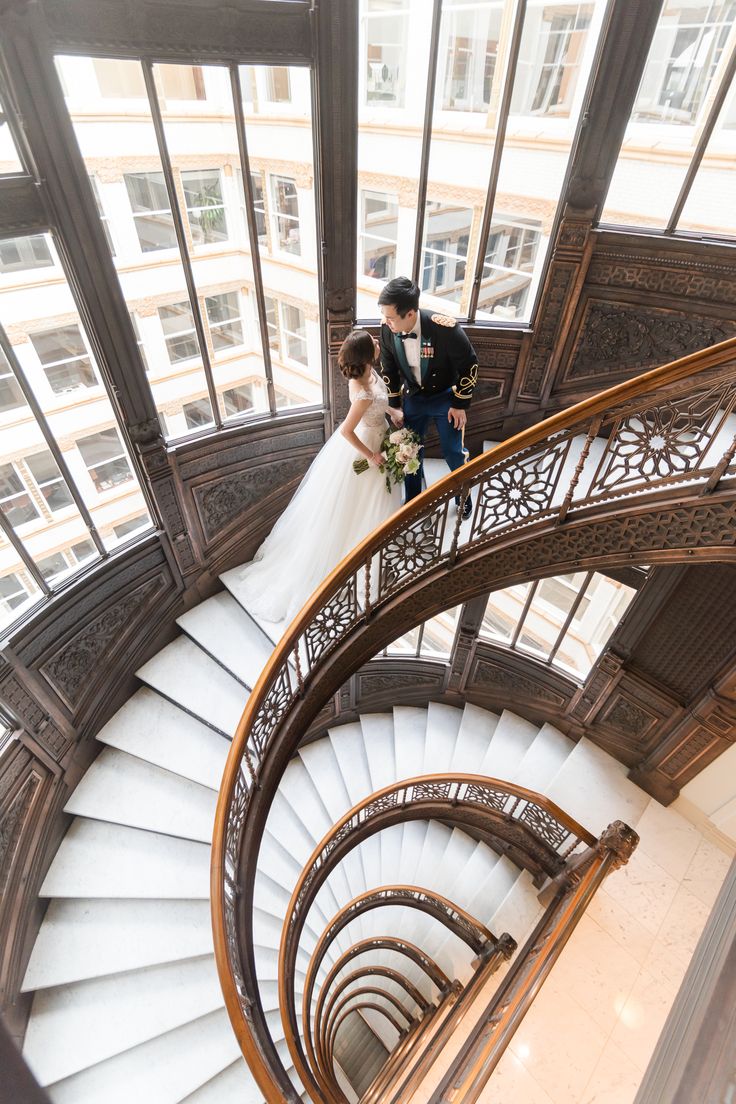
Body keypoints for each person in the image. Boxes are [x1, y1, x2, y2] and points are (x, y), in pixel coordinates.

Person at [229, 330, 402, 625]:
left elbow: (378, 402)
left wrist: (391, 411)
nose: (377, 342)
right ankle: (352, 562)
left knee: (373, 504)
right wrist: (371, 456)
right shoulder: (362, 391)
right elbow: (348, 431)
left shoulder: (371, 375)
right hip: (366, 447)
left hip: (380, 434)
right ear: (365, 355)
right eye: (372, 342)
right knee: (354, 510)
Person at [378, 276, 478, 518]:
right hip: (413, 397)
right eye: (385, 315)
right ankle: (413, 502)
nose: (386, 321)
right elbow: (388, 369)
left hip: (445, 397)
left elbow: (470, 365)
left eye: (391, 317)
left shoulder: (445, 329)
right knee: (409, 451)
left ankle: (463, 496)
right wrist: (395, 406)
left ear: (410, 313)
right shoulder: (387, 329)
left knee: (453, 451)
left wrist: (460, 403)